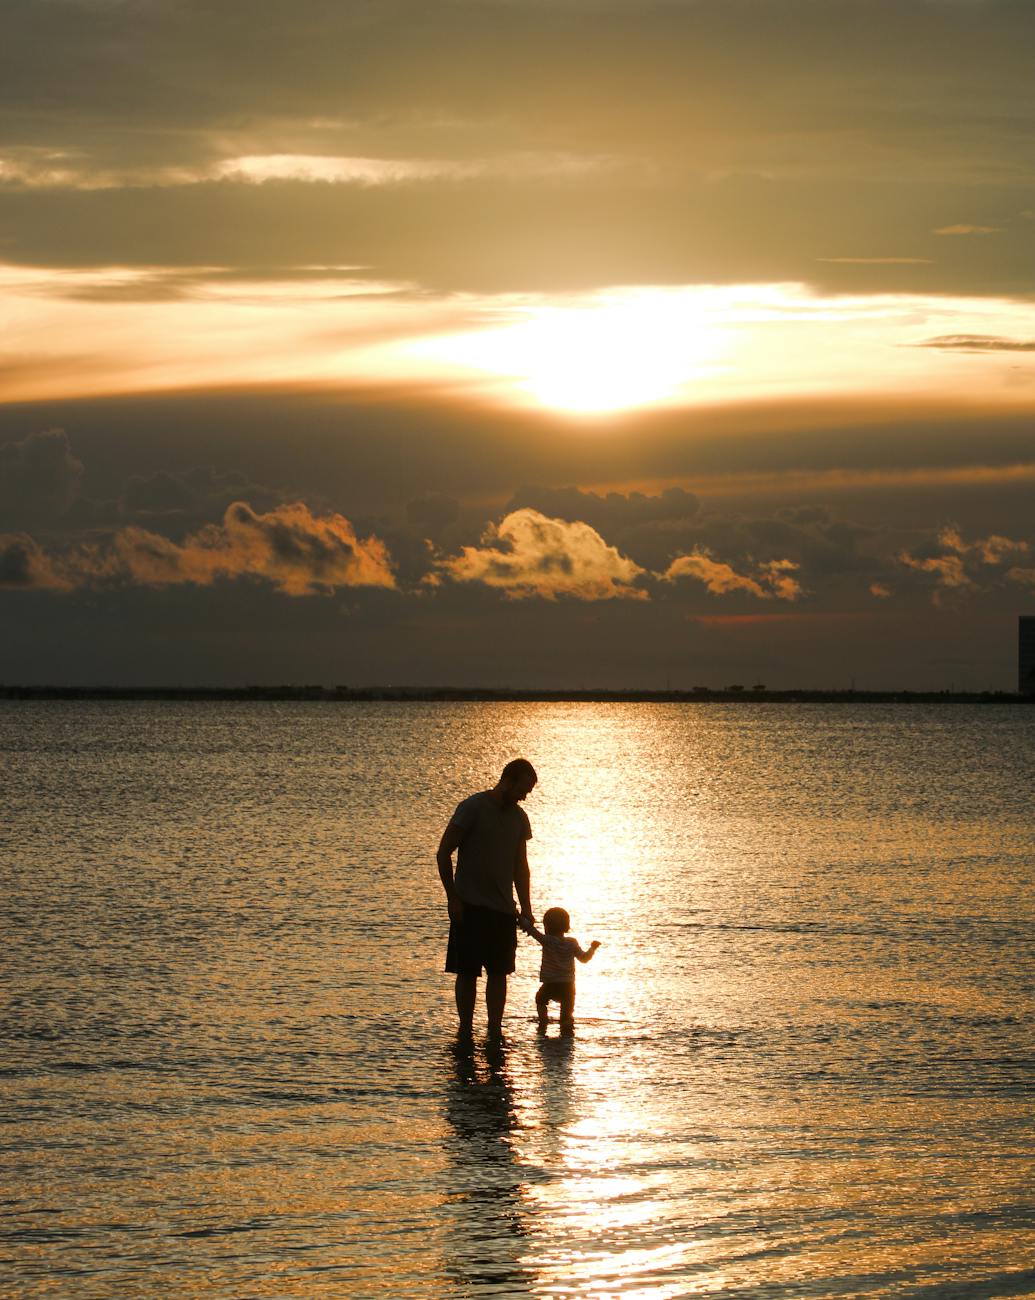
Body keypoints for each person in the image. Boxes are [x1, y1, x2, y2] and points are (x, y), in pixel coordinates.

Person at [437, 758, 537, 1038]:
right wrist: (453, 899)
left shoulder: (519, 818)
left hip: (503, 911)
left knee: (499, 974)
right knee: (467, 973)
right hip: (468, 907)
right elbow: (443, 853)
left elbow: (521, 867)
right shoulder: (472, 808)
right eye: (523, 788)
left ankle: (495, 1030)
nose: (524, 796)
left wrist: (527, 908)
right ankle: (465, 1030)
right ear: (508, 780)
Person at [523, 906, 600, 1032]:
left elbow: (531, 931)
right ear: (566, 926)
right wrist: (592, 948)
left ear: (546, 926)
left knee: (540, 1000)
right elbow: (584, 959)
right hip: (568, 986)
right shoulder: (572, 942)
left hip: (551, 983)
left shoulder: (547, 940)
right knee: (566, 1017)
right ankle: (567, 1036)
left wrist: (520, 918)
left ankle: (543, 1023)